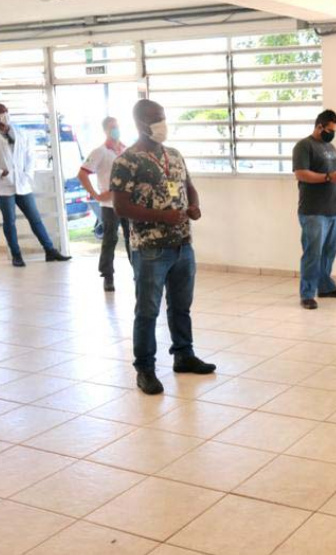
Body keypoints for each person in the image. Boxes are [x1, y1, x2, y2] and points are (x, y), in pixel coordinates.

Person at [111, 99, 215, 395]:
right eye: (155, 118)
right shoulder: (127, 161)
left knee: (181, 306)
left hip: (183, 244)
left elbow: (188, 185)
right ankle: (145, 368)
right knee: (147, 310)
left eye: (163, 117)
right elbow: (120, 206)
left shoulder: (173, 154)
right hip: (150, 249)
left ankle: (184, 354)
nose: (162, 123)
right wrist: (162, 216)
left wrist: (194, 206)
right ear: (140, 123)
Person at [0, 103, 71, 267]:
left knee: (35, 219)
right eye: (1, 113)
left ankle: (50, 250)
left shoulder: (19, 132)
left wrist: (27, 174)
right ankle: (16, 255)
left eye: (6, 112)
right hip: (2, 186)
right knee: (9, 221)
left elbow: (30, 156)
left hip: (22, 184)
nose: (5, 115)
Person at [291, 110, 336, 310]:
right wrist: (328, 177)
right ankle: (307, 294)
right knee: (313, 253)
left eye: (334, 130)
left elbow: (334, 175)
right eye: (330, 129)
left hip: (333, 209)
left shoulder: (331, 147)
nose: (332, 133)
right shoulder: (304, 146)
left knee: (329, 252)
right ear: (319, 126)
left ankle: (325, 287)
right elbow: (301, 174)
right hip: (313, 211)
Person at [78, 116, 131, 291]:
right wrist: (96, 194)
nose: (115, 130)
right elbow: (82, 174)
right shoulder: (100, 151)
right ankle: (107, 275)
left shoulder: (126, 149)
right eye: (111, 127)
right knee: (110, 238)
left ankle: (138, 272)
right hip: (109, 205)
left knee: (132, 238)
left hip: (128, 201)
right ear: (105, 130)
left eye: (116, 126)